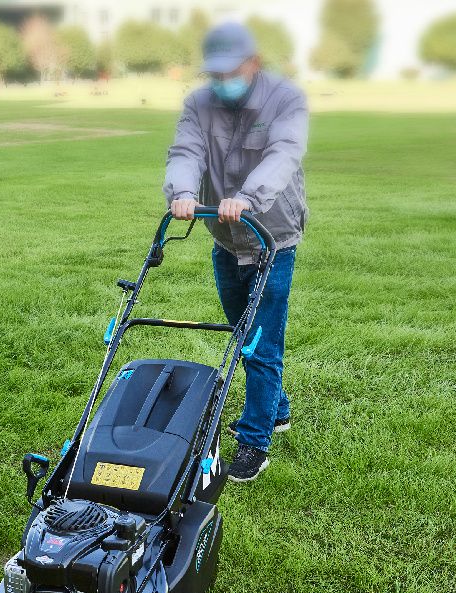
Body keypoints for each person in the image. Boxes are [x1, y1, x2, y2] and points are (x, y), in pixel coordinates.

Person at [163, 21, 309, 482]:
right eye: (215, 72)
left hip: (271, 238)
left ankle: (255, 441)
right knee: (241, 334)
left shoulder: (285, 99)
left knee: (259, 345)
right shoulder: (199, 104)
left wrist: (248, 196)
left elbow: (283, 154)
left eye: (232, 69)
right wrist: (182, 190)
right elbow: (186, 151)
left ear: (254, 62)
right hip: (224, 240)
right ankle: (277, 409)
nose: (223, 80)